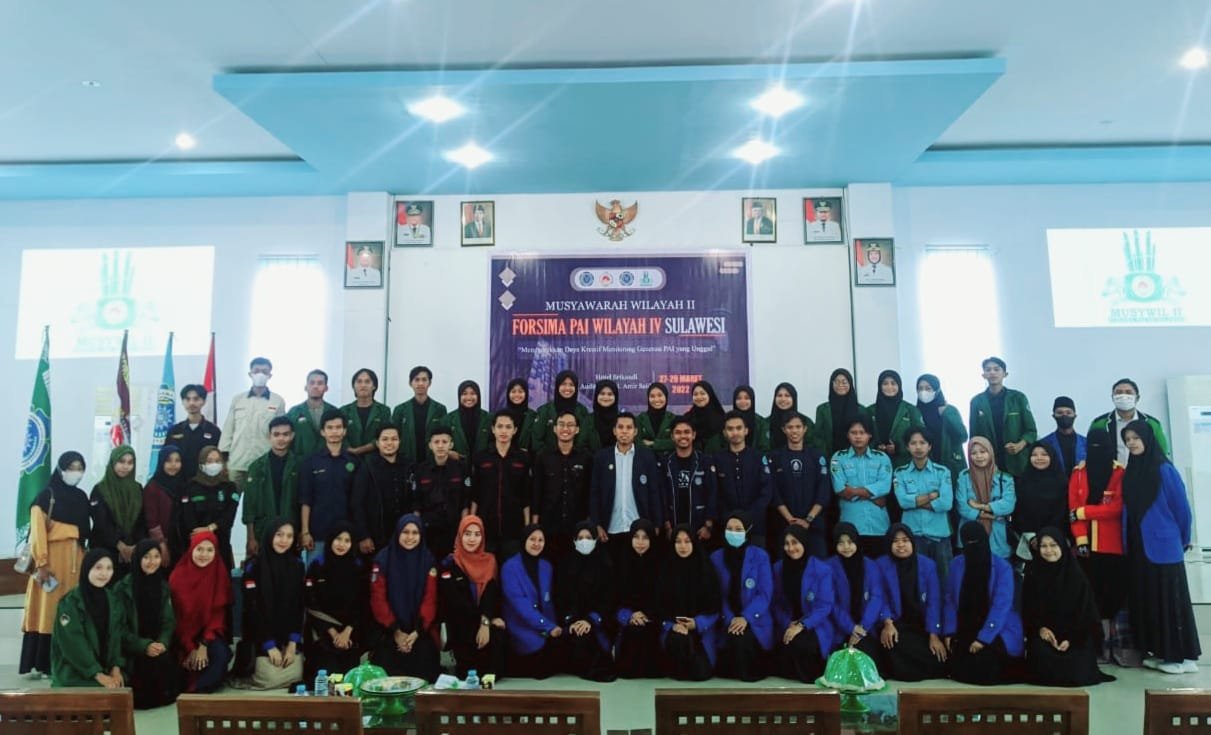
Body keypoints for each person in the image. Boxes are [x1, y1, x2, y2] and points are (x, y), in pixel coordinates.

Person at [1121, 420, 1200, 674]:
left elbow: (1182, 509)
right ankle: (1161, 652)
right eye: (1127, 439)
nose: (1132, 443)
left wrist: (1182, 540)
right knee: (1151, 601)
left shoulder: (1164, 469)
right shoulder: (1133, 470)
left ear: (1148, 438)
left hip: (1165, 547)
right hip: (1139, 546)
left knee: (1171, 603)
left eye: (1136, 438)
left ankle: (1181, 657)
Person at [21, 451, 90, 679]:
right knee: (48, 612)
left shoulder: (81, 497)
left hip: (76, 562)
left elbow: (85, 532)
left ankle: (69, 660)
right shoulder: (45, 496)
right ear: (60, 469)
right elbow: (38, 532)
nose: (75, 472)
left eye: (79, 468)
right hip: (51, 563)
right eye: (71, 467)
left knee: (70, 611)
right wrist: (41, 563)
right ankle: (44, 664)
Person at [1023, 528, 1114, 686]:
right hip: (1046, 637)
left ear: (1062, 547)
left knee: (1077, 663)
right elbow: (1027, 610)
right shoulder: (1033, 574)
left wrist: (1071, 639)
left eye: (1053, 545)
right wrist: (1041, 629)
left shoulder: (1077, 576)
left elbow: (1086, 615)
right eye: (1043, 546)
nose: (1049, 550)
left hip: (1075, 637)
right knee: (1040, 653)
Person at [1068, 428, 1127, 661]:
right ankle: (1097, 645)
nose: (1097, 450)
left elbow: (1116, 508)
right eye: (1092, 446)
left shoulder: (1120, 472)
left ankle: (1118, 646)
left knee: (1115, 596)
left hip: (1113, 545)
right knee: (1091, 597)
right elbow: (1072, 510)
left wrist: (1084, 512)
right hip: (1086, 547)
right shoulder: (1078, 472)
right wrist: (1080, 539)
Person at [944, 521, 1023, 685]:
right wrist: (949, 631)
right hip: (966, 626)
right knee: (956, 666)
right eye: (968, 542)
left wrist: (983, 639)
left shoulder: (1002, 567)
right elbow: (950, 600)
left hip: (997, 628)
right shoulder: (956, 564)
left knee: (986, 666)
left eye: (977, 542)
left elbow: (1001, 606)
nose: (973, 547)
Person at [369, 515, 441, 682]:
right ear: (397, 533)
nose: (410, 537)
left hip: (419, 631)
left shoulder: (428, 559)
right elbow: (378, 599)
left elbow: (430, 599)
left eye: (415, 533)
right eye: (405, 532)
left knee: (425, 673)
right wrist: (396, 631)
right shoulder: (382, 559)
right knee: (385, 678)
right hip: (389, 631)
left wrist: (417, 631)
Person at [590, 412, 663, 569]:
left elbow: (654, 491)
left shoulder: (647, 456)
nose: (624, 431)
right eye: (620, 427)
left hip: (639, 530)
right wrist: (597, 524)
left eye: (629, 427)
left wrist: (657, 523)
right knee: (612, 574)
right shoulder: (601, 457)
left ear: (635, 431)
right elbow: (594, 493)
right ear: (614, 431)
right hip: (610, 529)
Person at [437, 515, 506, 679]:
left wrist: (486, 621)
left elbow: (491, 595)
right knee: (468, 676)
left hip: (483, 624)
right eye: (467, 534)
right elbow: (456, 603)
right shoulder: (449, 563)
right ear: (460, 535)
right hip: (461, 627)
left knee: (493, 671)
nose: (472, 539)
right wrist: (484, 622)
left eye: (477, 534)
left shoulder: (490, 561)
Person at [238, 519, 304, 689]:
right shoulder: (254, 566)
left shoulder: (297, 565)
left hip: (286, 636)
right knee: (269, 676)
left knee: (296, 672)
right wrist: (269, 645)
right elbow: (252, 610)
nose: (284, 540)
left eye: (289, 536)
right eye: (279, 535)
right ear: (269, 536)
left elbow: (298, 607)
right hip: (260, 635)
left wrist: (292, 644)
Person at [876, 525, 948, 681]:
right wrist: (887, 623)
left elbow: (934, 602)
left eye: (905, 540)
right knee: (893, 645)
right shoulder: (881, 565)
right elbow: (880, 598)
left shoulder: (928, 565)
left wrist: (934, 635)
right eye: (895, 541)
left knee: (937, 658)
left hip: (922, 625)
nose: (901, 545)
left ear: (913, 543)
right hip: (895, 624)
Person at [50, 548, 127, 688]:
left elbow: (117, 637)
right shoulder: (69, 603)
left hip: (103, 669)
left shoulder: (113, 600)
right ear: (87, 569)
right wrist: (97, 674)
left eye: (109, 568)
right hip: (73, 673)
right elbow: (74, 644)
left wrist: (115, 668)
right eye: (98, 567)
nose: (104, 573)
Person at [115, 539, 178, 708]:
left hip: (157, 648)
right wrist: (144, 645)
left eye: (157, 556)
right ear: (137, 559)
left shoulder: (163, 586)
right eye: (147, 557)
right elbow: (118, 628)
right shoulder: (122, 588)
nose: (152, 561)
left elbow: (168, 621)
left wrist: (163, 643)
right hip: (133, 649)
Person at [710, 511, 772, 681]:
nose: (733, 533)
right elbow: (716, 594)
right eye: (729, 529)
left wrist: (745, 617)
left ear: (748, 531)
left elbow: (764, 594)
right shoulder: (716, 557)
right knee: (732, 639)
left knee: (744, 642)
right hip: (726, 618)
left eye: (738, 529)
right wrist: (730, 618)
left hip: (754, 619)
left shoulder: (760, 556)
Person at [303, 522, 368, 682]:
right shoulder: (317, 565)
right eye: (338, 539)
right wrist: (333, 633)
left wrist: (347, 632)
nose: (342, 544)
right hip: (323, 632)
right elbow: (312, 603)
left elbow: (362, 602)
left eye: (347, 540)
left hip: (350, 634)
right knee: (328, 678)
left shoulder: (358, 566)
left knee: (349, 680)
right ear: (331, 540)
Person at [169, 531, 233, 694]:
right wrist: (190, 648)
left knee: (221, 656)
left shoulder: (219, 573)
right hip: (181, 636)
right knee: (176, 671)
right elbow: (176, 618)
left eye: (210, 550)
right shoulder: (178, 576)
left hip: (209, 634)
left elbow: (218, 614)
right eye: (199, 549)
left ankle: (194, 693)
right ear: (191, 549)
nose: (204, 555)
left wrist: (203, 645)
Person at [656, 525, 721, 681]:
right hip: (674, 630)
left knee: (700, 672)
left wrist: (696, 623)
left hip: (701, 631)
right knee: (679, 641)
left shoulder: (706, 570)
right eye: (678, 541)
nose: (683, 546)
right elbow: (658, 607)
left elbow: (715, 608)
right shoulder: (666, 569)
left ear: (694, 543)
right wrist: (672, 625)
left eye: (687, 541)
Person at [556, 521, 618, 682]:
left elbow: (609, 599)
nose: (584, 541)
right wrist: (573, 621)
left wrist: (590, 620)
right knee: (575, 638)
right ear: (574, 540)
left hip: (598, 621)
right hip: (572, 621)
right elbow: (561, 598)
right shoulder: (565, 565)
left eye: (589, 537)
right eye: (580, 537)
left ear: (596, 540)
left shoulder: (605, 565)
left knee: (590, 640)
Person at [770, 525, 833, 682]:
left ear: (804, 542)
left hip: (814, 624)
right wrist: (788, 622)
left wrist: (801, 625)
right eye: (786, 544)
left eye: (795, 542)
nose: (791, 548)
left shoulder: (822, 569)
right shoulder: (778, 568)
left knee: (804, 646)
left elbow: (824, 606)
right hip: (788, 623)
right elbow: (776, 603)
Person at [501, 525, 565, 678]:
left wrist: (554, 628)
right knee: (541, 665)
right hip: (520, 625)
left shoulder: (546, 566)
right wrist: (548, 627)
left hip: (544, 625)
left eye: (540, 540)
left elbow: (549, 603)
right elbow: (521, 606)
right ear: (524, 540)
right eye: (532, 539)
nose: (536, 544)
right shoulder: (509, 567)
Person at [893, 429, 954, 583]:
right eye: (913, 443)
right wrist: (931, 496)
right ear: (907, 447)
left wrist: (915, 503)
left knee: (944, 582)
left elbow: (946, 503)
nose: (918, 447)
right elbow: (903, 502)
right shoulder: (900, 473)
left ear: (930, 446)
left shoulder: (942, 472)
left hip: (939, 536)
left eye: (922, 443)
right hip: (913, 536)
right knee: (916, 582)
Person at [218, 357, 286, 489]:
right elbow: (228, 429)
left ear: (270, 375)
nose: (260, 374)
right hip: (237, 462)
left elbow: (280, 433)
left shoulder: (278, 401)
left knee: (261, 499)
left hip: (264, 462)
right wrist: (223, 458)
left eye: (264, 371)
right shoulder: (238, 399)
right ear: (250, 374)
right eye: (257, 371)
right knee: (232, 498)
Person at [531, 411, 592, 556]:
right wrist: (534, 523)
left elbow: (590, 491)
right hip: (549, 524)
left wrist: (589, 522)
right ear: (554, 428)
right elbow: (537, 490)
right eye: (561, 424)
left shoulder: (586, 457)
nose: (565, 429)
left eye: (570, 425)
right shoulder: (543, 456)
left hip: (577, 524)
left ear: (577, 429)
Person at [830, 416, 893, 557]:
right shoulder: (838, 458)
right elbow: (840, 489)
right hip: (850, 525)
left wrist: (853, 491)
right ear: (847, 435)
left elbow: (885, 486)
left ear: (869, 434)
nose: (858, 436)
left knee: (878, 566)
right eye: (853, 432)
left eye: (862, 432)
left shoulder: (882, 457)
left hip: (878, 526)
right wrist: (873, 496)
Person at [770, 412, 831, 559]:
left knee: (817, 566)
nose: (794, 431)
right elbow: (774, 492)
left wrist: (808, 519)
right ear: (784, 430)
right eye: (790, 427)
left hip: (813, 525)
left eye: (798, 427)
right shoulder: (774, 457)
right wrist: (790, 519)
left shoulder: (817, 457)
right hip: (785, 525)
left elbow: (823, 491)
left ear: (805, 429)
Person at [299, 410, 357, 561]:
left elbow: (358, 500)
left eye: (338, 427)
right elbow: (306, 499)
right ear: (322, 432)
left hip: (346, 535)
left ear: (344, 431)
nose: (334, 432)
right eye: (330, 428)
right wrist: (305, 531)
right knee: (315, 573)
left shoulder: (354, 462)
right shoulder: (311, 462)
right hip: (318, 533)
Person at [471, 412, 531, 557]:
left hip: (514, 530)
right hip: (486, 528)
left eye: (508, 427)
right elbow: (474, 495)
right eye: (500, 426)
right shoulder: (481, 457)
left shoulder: (523, 458)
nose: (504, 431)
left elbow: (527, 496)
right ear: (493, 429)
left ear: (515, 430)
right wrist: (472, 523)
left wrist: (528, 527)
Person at [825, 523, 885, 665]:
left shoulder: (870, 565)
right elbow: (830, 602)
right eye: (840, 543)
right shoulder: (828, 567)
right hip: (839, 627)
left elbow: (877, 598)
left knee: (866, 657)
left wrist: (861, 628)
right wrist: (851, 627)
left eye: (850, 542)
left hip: (866, 627)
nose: (846, 547)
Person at [968, 357, 1036, 477]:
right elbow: (974, 436)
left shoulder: (1018, 398)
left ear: (1005, 374)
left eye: (996, 369)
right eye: (988, 370)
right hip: (989, 461)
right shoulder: (977, 401)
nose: (992, 372)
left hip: (1017, 460)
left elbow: (1031, 431)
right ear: (983, 375)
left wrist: (1020, 445)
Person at [242, 417, 300, 558]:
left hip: (291, 531)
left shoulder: (300, 465)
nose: (281, 439)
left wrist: (303, 532)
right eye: (276, 434)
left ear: (292, 436)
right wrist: (251, 537)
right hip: (263, 531)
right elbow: (249, 505)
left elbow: (305, 501)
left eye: (285, 434)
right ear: (269, 436)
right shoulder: (256, 467)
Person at [714, 412, 773, 547]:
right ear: (724, 432)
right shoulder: (717, 459)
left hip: (755, 525)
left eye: (739, 428)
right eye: (730, 429)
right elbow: (715, 493)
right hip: (728, 526)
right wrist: (729, 517)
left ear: (746, 431)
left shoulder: (758, 457)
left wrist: (749, 516)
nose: (735, 432)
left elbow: (767, 491)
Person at [410, 427, 471, 558]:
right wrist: (417, 531)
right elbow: (416, 503)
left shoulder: (461, 468)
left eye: (444, 442)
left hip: (454, 529)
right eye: (436, 442)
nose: (440, 446)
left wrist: (463, 529)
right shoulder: (421, 470)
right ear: (430, 445)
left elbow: (465, 501)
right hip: (428, 530)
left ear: (451, 444)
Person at [352, 423, 411, 556]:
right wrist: (363, 535)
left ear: (400, 442)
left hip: (404, 536)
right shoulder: (367, 467)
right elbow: (357, 504)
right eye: (385, 439)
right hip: (375, 537)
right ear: (377, 443)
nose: (389, 443)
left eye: (394, 439)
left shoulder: (408, 466)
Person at [89, 445, 146, 580]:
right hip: (105, 551)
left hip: (133, 552)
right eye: (121, 461)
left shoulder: (138, 488)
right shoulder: (100, 489)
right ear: (113, 462)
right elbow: (101, 522)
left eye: (130, 462)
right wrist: (120, 545)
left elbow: (142, 519)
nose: (125, 466)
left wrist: (133, 547)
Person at [179, 447, 240, 571]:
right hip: (195, 542)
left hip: (220, 542)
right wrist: (200, 534)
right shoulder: (190, 487)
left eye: (217, 461)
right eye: (209, 461)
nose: (214, 464)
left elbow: (229, 516)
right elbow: (187, 515)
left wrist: (210, 528)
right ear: (201, 464)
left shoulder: (229, 487)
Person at [615, 519, 662, 679]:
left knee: (647, 632)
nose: (640, 542)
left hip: (653, 618)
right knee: (633, 632)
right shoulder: (621, 563)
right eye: (636, 537)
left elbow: (662, 597)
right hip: (628, 618)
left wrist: (646, 614)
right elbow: (616, 598)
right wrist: (630, 615)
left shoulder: (660, 564)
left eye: (645, 537)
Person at [955, 437, 1017, 559]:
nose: (979, 456)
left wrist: (979, 506)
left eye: (983, 452)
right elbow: (962, 507)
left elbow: (1008, 505)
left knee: (999, 568)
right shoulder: (963, 477)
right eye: (973, 453)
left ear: (990, 452)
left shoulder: (1005, 478)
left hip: (998, 536)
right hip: (971, 533)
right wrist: (988, 514)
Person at [1088, 378, 1173, 465]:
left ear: (1137, 398)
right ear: (1112, 397)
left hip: (1144, 472)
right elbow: (1090, 451)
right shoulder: (1099, 423)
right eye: (1118, 392)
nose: (1123, 396)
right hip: (1111, 472)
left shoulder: (1151, 423)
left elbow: (1162, 452)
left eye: (1128, 392)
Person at [662, 417, 718, 543]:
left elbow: (712, 493)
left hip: (699, 529)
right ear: (672, 436)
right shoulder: (665, 462)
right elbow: (662, 496)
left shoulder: (705, 461)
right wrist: (667, 527)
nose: (683, 436)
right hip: (674, 527)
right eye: (678, 432)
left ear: (693, 435)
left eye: (687, 432)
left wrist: (708, 526)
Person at [1012, 443, 1069, 562]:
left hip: (1056, 539)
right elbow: (1019, 511)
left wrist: (1049, 536)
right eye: (1034, 455)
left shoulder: (1062, 481)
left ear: (1052, 456)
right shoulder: (1023, 481)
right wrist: (1032, 537)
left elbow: (1063, 511)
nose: (1039, 458)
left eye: (1044, 454)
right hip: (1030, 538)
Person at [914, 375, 967, 488]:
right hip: (925, 462)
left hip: (950, 461)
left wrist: (946, 415)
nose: (923, 392)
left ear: (937, 390)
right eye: (920, 388)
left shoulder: (949, 410)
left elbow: (963, 436)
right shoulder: (915, 412)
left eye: (928, 388)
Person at [868, 370, 924, 475]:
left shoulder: (910, 410)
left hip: (905, 465)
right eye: (885, 383)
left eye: (893, 383)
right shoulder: (870, 410)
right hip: (876, 466)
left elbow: (921, 437)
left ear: (899, 386)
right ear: (879, 386)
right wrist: (876, 447)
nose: (889, 387)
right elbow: (864, 435)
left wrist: (899, 448)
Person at [391, 365, 449, 466]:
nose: (420, 383)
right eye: (416, 380)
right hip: (406, 461)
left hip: (433, 461)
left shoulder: (440, 409)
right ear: (410, 383)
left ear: (429, 383)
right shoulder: (400, 410)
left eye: (424, 380)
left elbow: (444, 436)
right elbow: (394, 437)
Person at [167, 384, 222, 480]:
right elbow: (167, 458)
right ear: (183, 402)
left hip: (205, 481)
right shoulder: (174, 430)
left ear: (203, 401)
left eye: (196, 399)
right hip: (178, 481)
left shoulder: (214, 431)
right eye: (187, 399)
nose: (191, 403)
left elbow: (219, 460)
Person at [530, 370, 589, 455]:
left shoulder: (582, 411)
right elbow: (536, 441)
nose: (567, 388)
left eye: (571, 385)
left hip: (576, 459)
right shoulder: (545, 410)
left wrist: (573, 456)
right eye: (563, 384)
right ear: (557, 386)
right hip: (548, 459)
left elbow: (584, 439)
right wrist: (551, 457)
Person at [143, 446, 184, 567]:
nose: (173, 465)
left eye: (177, 460)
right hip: (161, 543)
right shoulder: (153, 487)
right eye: (168, 460)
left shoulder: (184, 485)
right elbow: (152, 520)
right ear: (161, 462)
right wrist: (161, 543)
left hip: (180, 541)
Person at [285, 369, 338, 460]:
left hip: (328, 461)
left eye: (320, 383)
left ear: (326, 388)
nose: (315, 386)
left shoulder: (334, 412)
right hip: (300, 462)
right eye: (312, 383)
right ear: (306, 387)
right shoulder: (294, 412)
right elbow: (287, 438)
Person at [341, 368, 393, 457]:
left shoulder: (384, 410)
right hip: (349, 457)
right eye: (359, 381)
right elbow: (339, 435)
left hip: (376, 457)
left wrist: (360, 450)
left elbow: (385, 435)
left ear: (374, 386)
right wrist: (351, 450)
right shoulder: (344, 411)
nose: (363, 385)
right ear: (353, 386)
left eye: (367, 382)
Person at [813, 368, 864, 458]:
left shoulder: (861, 409)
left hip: (856, 457)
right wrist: (827, 456)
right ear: (831, 384)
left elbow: (867, 435)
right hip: (830, 457)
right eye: (836, 382)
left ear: (850, 384)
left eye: (844, 382)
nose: (840, 385)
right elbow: (818, 436)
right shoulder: (822, 409)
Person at [444, 380, 491, 460]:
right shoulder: (448, 419)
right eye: (464, 394)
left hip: (484, 463)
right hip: (456, 464)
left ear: (478, 395)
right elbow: (442, 441)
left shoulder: (489, 418)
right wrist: (449, 452)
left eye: (473, 393)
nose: (469, 397)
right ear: (459, 396)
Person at [1040, 396, 1086, 478]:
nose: (1064, 415)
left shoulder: (1087, 443)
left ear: (1075, 415)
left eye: (1068, 413)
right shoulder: (1044, 444)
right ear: (1054, 416)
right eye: (1060, 413)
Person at [769, 382, 816, 452]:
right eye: (779, 395)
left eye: (787, 396)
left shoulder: (805, 421)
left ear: (794, 398)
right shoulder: (766, 423)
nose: (783, 399)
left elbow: (812, 446)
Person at [684, 380, 726, 453]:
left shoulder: (721, 418)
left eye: (702, 393)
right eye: (695, 394)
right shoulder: (687, 418)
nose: (699, 397)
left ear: (709, 395)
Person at [500, 378, 538, 453]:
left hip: (526, 457)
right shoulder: (501, 415)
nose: (517, 395)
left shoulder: (533, 416)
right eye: (513, 391)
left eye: (520, 391)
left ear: (526, 393)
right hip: (504, 456)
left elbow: (535, 441)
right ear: (508, 394)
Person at [637, 382, 675, 454]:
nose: (656, 399)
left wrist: (653, 443)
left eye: (660, 395)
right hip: (645, 458)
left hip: (668, 459)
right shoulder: (640, 419)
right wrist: (664, 443)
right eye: (652, 396)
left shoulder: (673, 418)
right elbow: (637, 442)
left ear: (666, 397)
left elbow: (676, 442)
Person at [585, 379, 621, 452]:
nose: (606, 397)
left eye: (610, 394)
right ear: (596, 396)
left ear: (615, 396)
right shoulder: (588, 419)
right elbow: (582, 445)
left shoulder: (622, 418)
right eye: (602, 394)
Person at [732, 385, 771, 451]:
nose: (742, 401)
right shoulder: (728, 421)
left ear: (752, 400)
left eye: (747, 398)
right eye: (739, 398)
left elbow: (764, 446)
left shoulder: (760, 422)